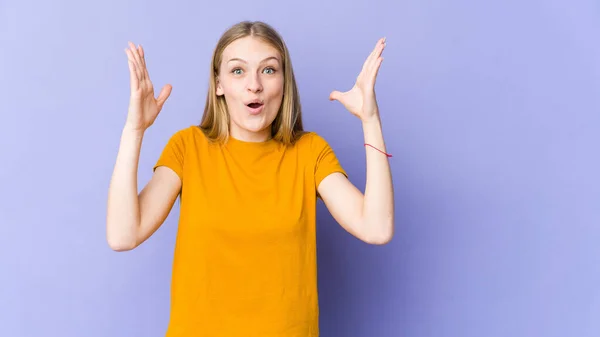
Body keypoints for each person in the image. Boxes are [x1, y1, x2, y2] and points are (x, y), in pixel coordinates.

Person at [106, 20, 394, 336]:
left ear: (284, 82)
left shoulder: (309, 152)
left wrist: (370, 120)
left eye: (268, 70)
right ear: (219, 84)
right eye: (238, 71)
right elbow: (123, 235)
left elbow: (376, 228)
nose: (254, 85)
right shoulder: (188, 147)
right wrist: (134, 130)